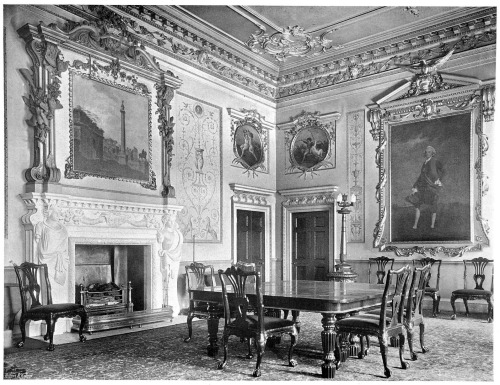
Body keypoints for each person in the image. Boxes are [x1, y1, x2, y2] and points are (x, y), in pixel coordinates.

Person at [34, 207, 69, 303]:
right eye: (57, 213)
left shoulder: (63, 228)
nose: (59, 216)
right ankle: (51, 311)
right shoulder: (41, 225)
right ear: (49, 212)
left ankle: (61, 312)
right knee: (48, 286)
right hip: (47, 259)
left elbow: (65, 246)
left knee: (60, 290)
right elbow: (36, 244)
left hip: (61, 260)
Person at [406, 145, 445, 229]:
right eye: (426, 152)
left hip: (432, 186)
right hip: (422, 187)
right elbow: (421, 176)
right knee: (417, 204)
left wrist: (439, 179)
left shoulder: (435, 161)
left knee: (433, 205)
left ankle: (432, 226)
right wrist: (414, 186)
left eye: (429, 152)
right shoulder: (424, 163)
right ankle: (415, 225)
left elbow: (443, 170)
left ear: (432, 153)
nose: (427, 153)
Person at [157, 213, 184, 315]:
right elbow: (159, 248)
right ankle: (165, 306)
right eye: (169, 220)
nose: (171, 222)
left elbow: (179, 246)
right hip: (166, 259)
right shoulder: (162, 232)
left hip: (175, 259)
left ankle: (173, 307)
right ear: (165, 221)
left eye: (172, 220)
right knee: (166, 282)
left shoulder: (177, 233)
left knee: (172, 282)